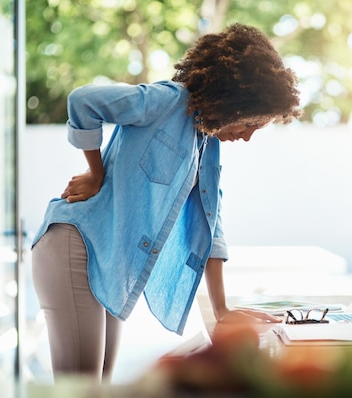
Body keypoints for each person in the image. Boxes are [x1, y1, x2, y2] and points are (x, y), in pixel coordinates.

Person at [31, 23, 302, 382]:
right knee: (81, 388)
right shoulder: (166, 101)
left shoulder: (207, 144)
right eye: (251, 123)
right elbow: (83, 101)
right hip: (76, 245)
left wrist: (222, 309)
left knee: (100, 385)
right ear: (236, 100)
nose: (249, 136)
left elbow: (211, 223)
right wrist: (95, 173)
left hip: (112, 263)